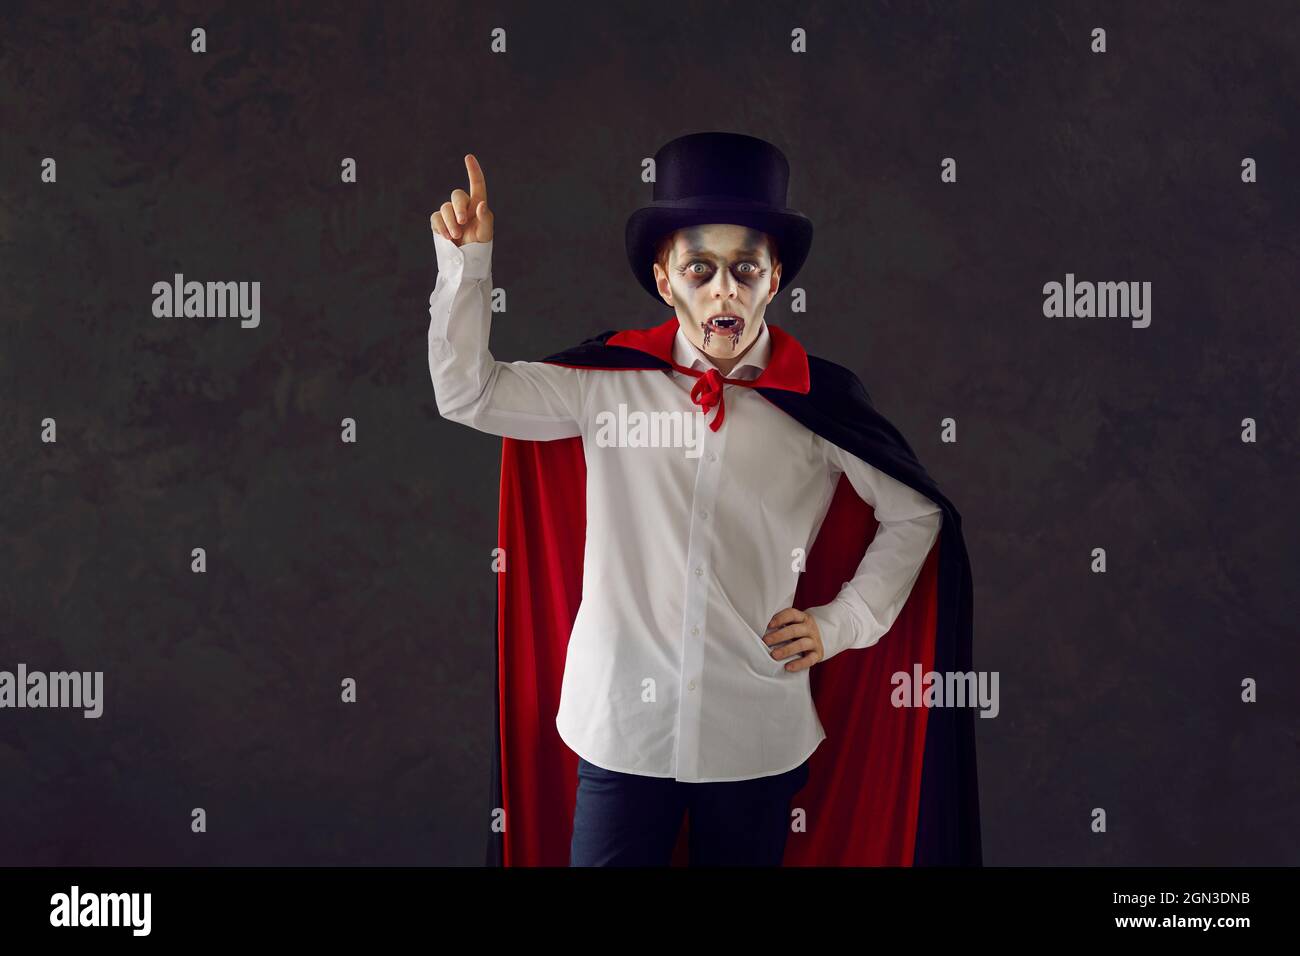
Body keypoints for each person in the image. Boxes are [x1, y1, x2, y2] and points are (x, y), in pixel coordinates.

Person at [428, 132, 978, 867]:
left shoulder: (817, 400)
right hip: (621, 730)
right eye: (701, 268)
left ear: (774, 278)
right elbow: (468, 391)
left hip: (754, 737)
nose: (725, 290)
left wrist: (843, 622)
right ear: (665, 281)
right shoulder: (606, 383)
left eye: (746, 268)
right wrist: (467, 266)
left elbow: (916, 511)